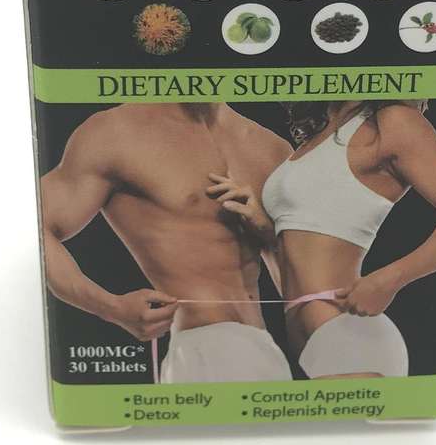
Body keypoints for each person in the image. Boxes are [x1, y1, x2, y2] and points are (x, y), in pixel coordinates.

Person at [206, 100, 436, 379]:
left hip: (351, 336)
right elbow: (296, 282)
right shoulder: (318, 135)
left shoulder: (390, 121)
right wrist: (267, 233)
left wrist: (389, 280)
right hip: (312, 347)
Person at [41, 102, 293, 383]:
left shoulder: (272, 149)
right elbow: (36, 224)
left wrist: (268, 232)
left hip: (267, 349)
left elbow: (301, 291)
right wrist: (110, 307)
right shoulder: (117, 132)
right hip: (202, 349)